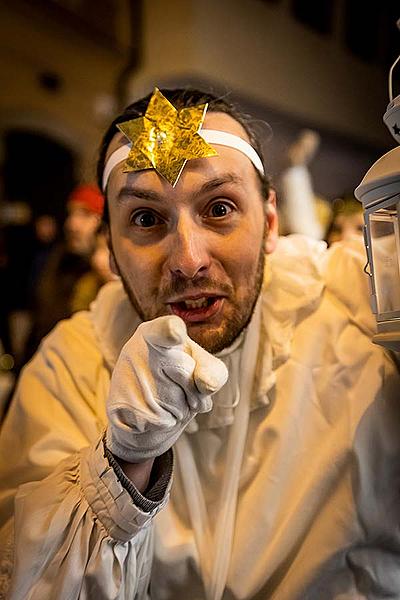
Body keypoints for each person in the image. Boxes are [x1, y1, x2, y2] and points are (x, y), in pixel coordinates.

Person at [0, 88, 399, 600]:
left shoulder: (360, 306)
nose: (188, 260)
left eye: (220, 208)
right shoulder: (68, 368)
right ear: (113, 250)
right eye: (146, 219)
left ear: (270, 222)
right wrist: (121, 470)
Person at [22, 183, 104, 363]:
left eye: (85, 214)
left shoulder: (110, 277)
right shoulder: (56, 261)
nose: (72, 225)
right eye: (71, 214)